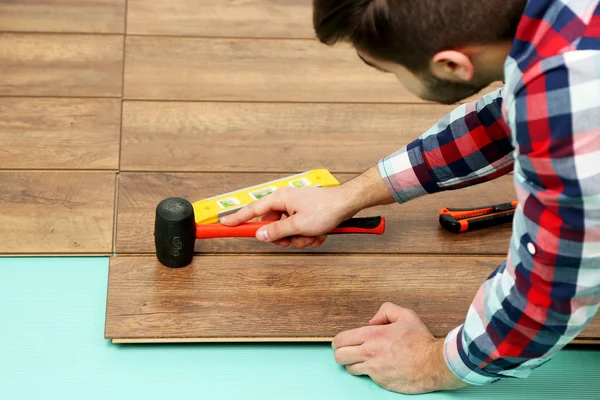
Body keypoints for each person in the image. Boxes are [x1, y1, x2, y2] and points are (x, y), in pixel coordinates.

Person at [221, 0, 600, 394]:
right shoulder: (564, 27)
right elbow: (506, 122)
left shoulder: (571, 100)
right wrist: (350, 195)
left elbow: (555, 283)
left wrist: (432, 363)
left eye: (387, 69)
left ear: (451, 65)